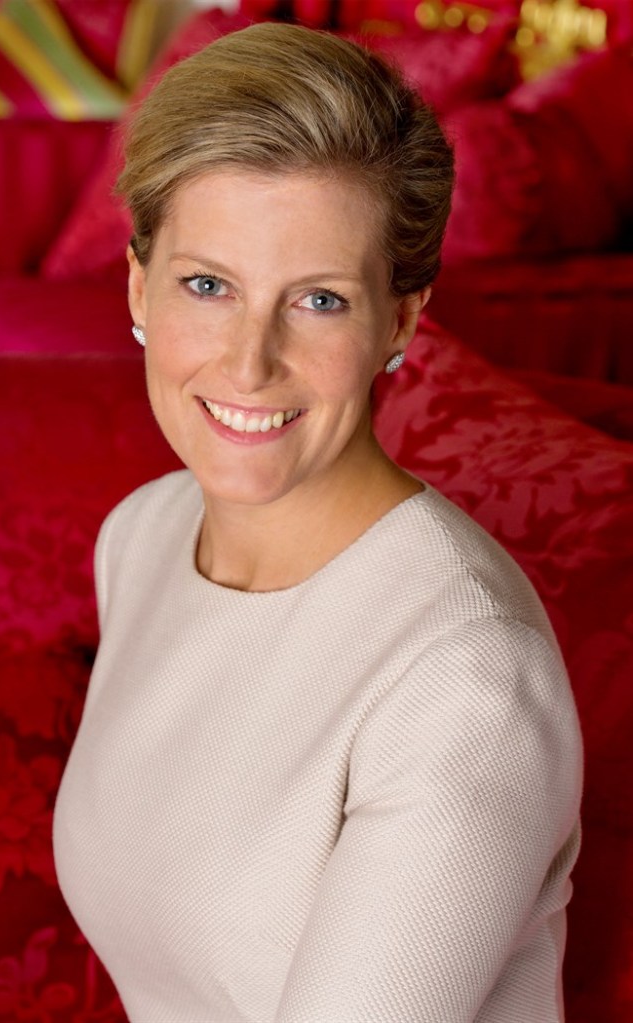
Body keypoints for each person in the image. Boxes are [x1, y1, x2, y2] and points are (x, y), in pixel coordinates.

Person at [53, 21, 582, 1022]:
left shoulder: (467, 679)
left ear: (400, 319)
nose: (249, 361)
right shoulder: (143, 537)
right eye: (207, 285)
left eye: (319, 301)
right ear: (138, 286)